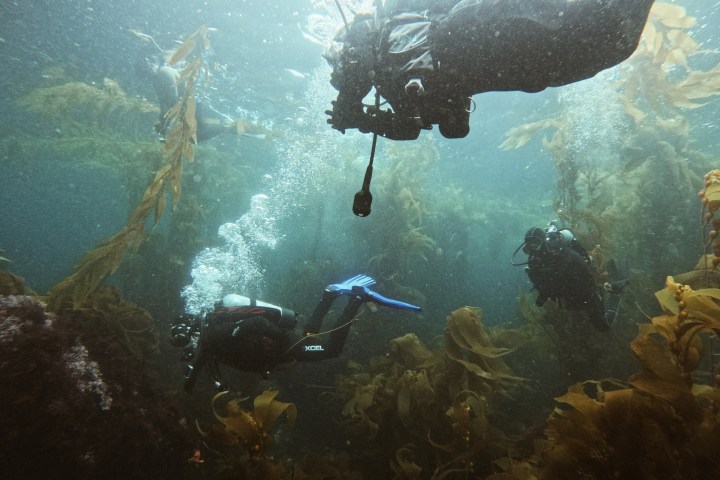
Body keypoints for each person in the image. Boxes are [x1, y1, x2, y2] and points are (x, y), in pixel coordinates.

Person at [324, 0, 655, 140]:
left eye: (332, 61)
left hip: (463, 36)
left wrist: (349, 107)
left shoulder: (366, 33)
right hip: (504, 67)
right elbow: (423, 129)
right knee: (608, 43)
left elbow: (353, 69)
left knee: (569, 30)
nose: (333, 74)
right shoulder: (390, 76)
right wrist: (364, 122)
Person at [170, 274, 422, 393]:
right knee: (310, 333)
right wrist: (189, 383)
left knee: (330, 350)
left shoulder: (214, 336)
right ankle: (328, 295)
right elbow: (198, 367)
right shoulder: (208, 342)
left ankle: (356, 300)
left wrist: (278, 341)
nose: (189, 348)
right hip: (281, 349)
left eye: (185, 342)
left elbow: (253, 324)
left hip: (282, 347)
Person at [512, 223, 628, 331]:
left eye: (535, 246)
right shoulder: (534, 261)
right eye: (528, 248)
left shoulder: (562, 254)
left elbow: (584, 269)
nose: (532, 251)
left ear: (543, 243)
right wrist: (542, 298)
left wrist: (591, 291)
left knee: (603, 326)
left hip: (585, 292)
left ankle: (615, 291)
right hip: (569, 297)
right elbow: (541, 284)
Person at [151, 63, 233, 142]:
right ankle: (225, 127)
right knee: (195, 135)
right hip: (190, 104)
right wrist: (163, 124)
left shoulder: (163, 71)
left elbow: (172, 100)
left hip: (192, 104)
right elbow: (166, 103)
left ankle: (225, 128)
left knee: (195, 135)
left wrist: (164, 123)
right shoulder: (160, 76)